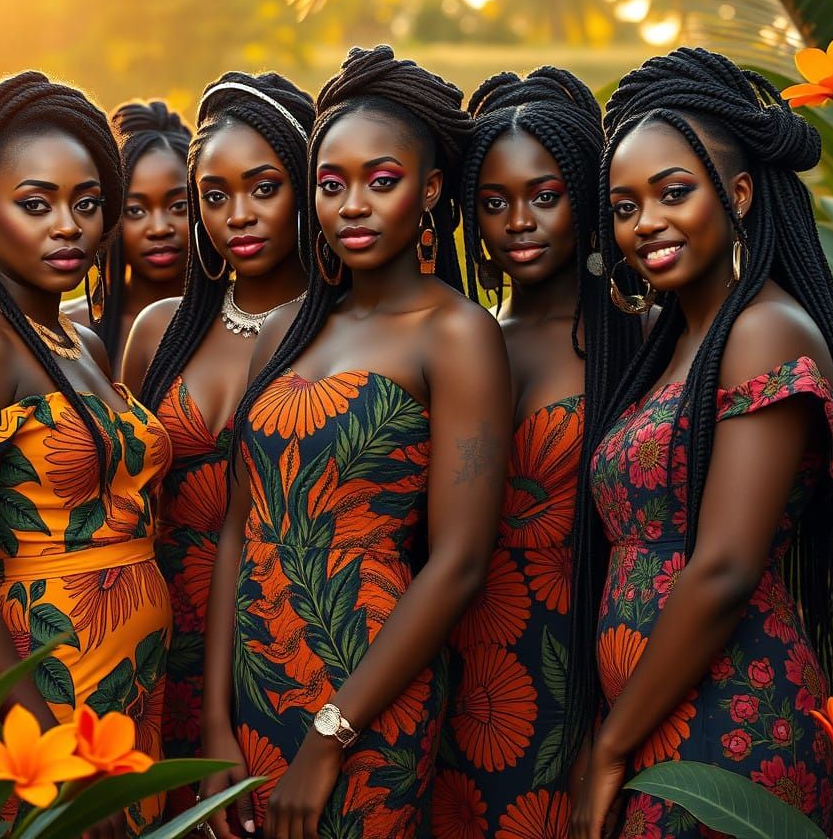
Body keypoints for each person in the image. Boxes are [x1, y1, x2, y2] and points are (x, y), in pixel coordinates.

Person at [201, 45, 512, 839]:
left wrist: (331, 735)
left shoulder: (457, 335)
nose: (353, 206)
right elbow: (240, 527)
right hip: (252, 686)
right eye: (331, 185)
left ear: (431, 189)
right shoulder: (289, 330)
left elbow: (459, 562)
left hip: (368, 693)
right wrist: (213, 722)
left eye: (382, 181)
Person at [570, 48, 833, 839]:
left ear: (737, 193)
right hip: (656, 715)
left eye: (674, 193)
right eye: (625, 206)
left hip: (733, 719)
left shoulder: (765, 331)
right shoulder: (677, 338)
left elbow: (725, 567)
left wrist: (609, 748)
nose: (647, 224)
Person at [0, 71, 173, 838]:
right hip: (48, 690)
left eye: (86, 204)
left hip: (130, 684)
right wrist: (55, 753)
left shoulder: (75, 338)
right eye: (36, 203)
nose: (69, 227)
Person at [434, 67, 626, 838]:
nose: (519, 220)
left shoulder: (636, 342)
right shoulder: (451, 344)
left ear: (585, 196)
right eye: (494, 201)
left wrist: (605, 723)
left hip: (580, 668)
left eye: (545, 196)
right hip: (454, 667)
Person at [122, 72, 313, 817]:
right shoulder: (158, 331)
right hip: (155, 637)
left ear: (303, 187)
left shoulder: (341, 336)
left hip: (283, 638)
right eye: (214, 194)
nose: (238, 215)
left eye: (264, 188)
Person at [63, 99, 191, 375]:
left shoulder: (237, 326)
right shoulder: (65, 330)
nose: (159, 228)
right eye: (135, 210)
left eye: (179, 206)